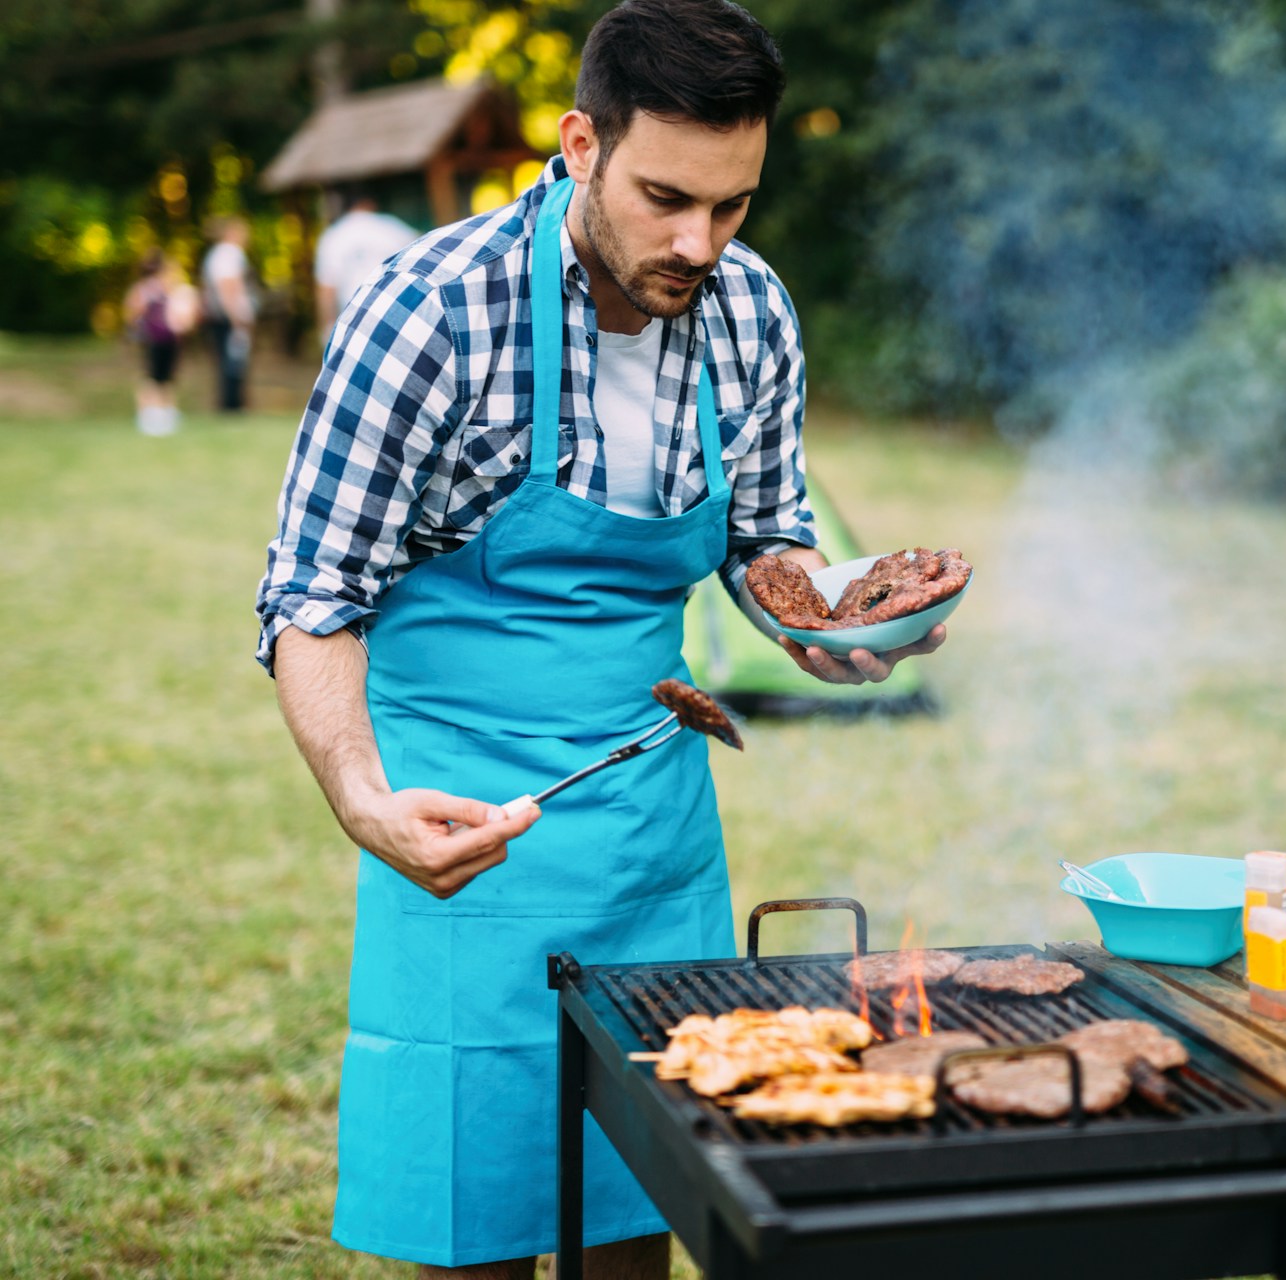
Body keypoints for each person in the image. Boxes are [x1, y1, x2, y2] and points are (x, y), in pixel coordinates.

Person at [254, 2, 944, 1276]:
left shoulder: (751, 311)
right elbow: (313, 593)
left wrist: (827, 618)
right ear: (581, 144)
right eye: (665, 197)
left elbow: (766, 538)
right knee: (478, 1217)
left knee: (640, 1204)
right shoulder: (428, 312)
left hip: (652, 830)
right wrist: (361, 799)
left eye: (732, 205)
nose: (698, 243)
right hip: (459, 823)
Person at [312, 189, 417, 336]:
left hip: (357, 318)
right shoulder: (391, 225)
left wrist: (328, 327)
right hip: (402, 307)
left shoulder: (333, 235)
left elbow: (327, 289)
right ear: (370, 204)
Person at [123, 251, 198, 435]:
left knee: (167, 377)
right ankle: (148, 414)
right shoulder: (143, 289)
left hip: (169, 339)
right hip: (152, 340)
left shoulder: (168, 288)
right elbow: (133, 313)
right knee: (152, 377)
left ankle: (166, 412)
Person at [199, 216, 255, 412]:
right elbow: (228, 287)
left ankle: (231, 404)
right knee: (233, 363)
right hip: (228, 317)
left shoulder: (217, 254)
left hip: (221, 316)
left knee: (227, 361)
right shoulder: (230, 253)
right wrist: (236, 318)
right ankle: (232, 405)